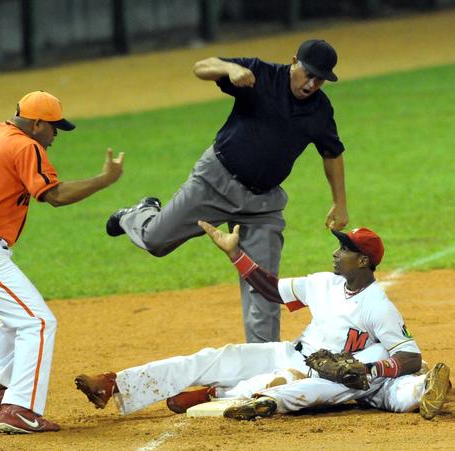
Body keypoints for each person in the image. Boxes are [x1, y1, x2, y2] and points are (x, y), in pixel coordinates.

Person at [74, 222, 451, 420]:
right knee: (217, 357)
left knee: (278, 388)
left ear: (364, 261)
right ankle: (115, 384)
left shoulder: (377, 305)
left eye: (345, 250)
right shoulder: (323, 282)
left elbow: (409, 356)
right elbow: (271, 289)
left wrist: (369, 369)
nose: (335, 253)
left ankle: (218, 394)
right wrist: (236, 254)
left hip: (327, 377)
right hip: (291, 353)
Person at [105, 39, 349, 343]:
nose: (312, 83)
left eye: (320, 78)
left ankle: (263, 374)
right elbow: (201, 67)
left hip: (263, 206)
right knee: (155, 241)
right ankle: (139, 214)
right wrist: (230, 68)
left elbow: (332, 153)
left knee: (263, 288)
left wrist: (339, 203)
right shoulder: (259, 75)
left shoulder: (320, 110)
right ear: (293, 62)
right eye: (308, 73)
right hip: (214, 182)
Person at [0, 91, 124, 434]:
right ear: (37, 123)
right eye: (53, 129)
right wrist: (104, 180)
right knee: (37, 322)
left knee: (15, 317)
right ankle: (20, 409)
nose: (54, 137)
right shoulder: (26, 146)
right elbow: (55, 196)